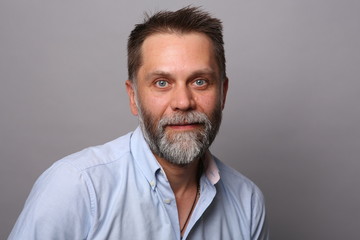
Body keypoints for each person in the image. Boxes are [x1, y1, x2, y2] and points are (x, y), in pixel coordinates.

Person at [9, 6, 268, 240]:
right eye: (162, 83)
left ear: (223, 92)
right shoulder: (77, 187)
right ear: (133, 97)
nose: (183, 102)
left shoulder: (247, 203)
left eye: (200, 81)